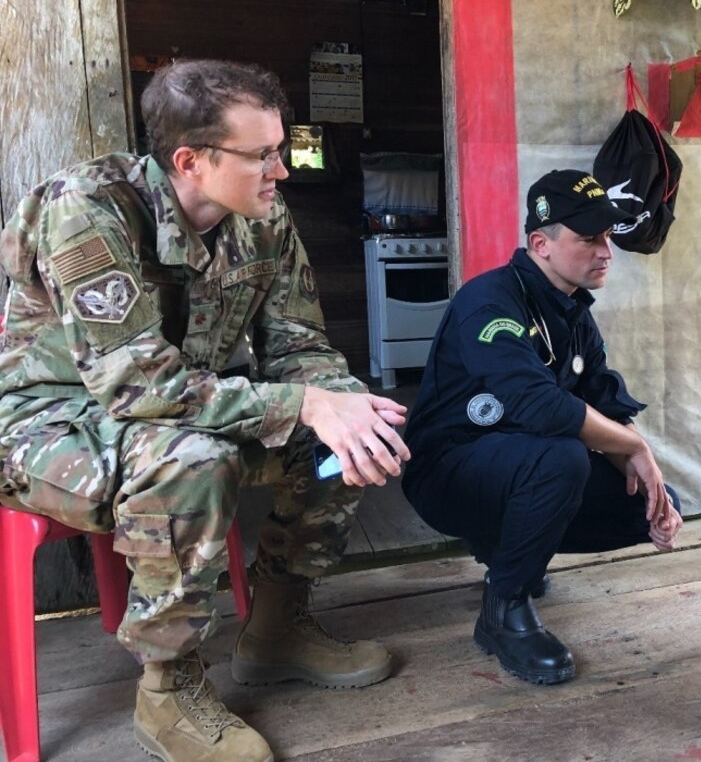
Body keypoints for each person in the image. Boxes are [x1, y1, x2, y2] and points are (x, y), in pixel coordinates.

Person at [0, 59, 410, 762]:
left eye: (280, 150)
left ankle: (279, 624)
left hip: (188, 405)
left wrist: (338, 404)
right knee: (195, 459)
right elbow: (139, 387)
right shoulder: (86, 210)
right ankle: (167, 689)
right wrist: (302, 401)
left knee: (346, 431)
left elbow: (299, 342)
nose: (281, 170)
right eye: (263, 156)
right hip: (53, 422)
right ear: (191, 160)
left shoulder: (264, 216)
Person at [402, 169, 684, 685]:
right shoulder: (490, 302)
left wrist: (639, 465)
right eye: (589, 238)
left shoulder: (574, 312)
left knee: (648, 503)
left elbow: (603, 401)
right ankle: (503, 611)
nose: (606, 251)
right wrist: (635, 445)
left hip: (516, 468)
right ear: (541, 243)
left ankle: (508, 555)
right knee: (561, 457)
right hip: (448, 473)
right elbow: (540, 407)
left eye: (607, 236)